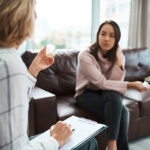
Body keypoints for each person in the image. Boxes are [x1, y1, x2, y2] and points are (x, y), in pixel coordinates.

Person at [0, 0, 98, 150]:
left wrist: (33, 70)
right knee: (89, 143)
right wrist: (55, 140)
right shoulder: (9, 63)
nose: (36, 15)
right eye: (33, 7)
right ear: (21, 15)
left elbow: (7, 100)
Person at [75, 20, 150, 150]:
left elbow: (115, 85)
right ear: (98, 35)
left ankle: (113, 146)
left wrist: (118, 63)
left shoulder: (117, 55)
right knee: (123, 112)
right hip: (86, 94)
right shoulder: (85, 56)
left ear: (117, 39)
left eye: (112, 35)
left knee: (117, 101)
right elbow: (101, 83)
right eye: (103, 34)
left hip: (106, 93)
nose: (106, 39)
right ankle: (113, 145)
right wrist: (131, 84)